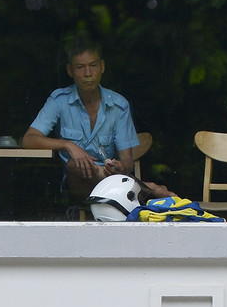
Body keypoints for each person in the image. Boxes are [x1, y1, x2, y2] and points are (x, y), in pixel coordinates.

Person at [22, 37, 141, 199]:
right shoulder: (59, 100)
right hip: (78, 187)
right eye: (80, 67)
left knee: (105, 175)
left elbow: (127, 161)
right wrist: (67, 145)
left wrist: (120, 167)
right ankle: (146, 189)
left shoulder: (119, 105)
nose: (87, 74)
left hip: (114, 187)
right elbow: (28, 140)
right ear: (70, 71)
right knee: (74, 165)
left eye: (93, 66)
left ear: (102, 67)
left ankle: (137, 188)